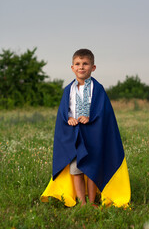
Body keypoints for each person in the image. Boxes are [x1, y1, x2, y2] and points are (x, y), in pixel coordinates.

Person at [41, 49, 131, 208]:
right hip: (75, 135)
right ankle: (82, 202)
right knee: (76, 169)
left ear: (93, 67)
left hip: (93, 135)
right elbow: (65, 110)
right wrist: (69, 118)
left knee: (92, 167)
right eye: (77, 64)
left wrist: (90, 118)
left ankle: (91, 202)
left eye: (85, 64)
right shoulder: (69, 90)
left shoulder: (98, 89)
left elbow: (103, 111)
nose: (81, 67)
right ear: (72, 67)